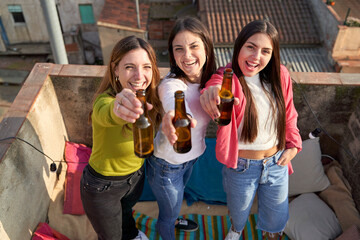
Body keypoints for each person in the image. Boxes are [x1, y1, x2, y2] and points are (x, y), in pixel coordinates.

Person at [200, 20, 302, 240]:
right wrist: (212, 92)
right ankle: (236, 230)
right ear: (239, 46)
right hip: (242, 167)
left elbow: (290, 114)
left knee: (276, 219)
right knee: (238, 212)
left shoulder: (280, 75)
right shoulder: (228, 77)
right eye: (251, 47)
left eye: (265, 51)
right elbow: (215, 84)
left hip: (277, 163)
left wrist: (294, 146)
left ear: (273, 55)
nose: (256, 56)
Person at [80, 36, 162, 240]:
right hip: (102, 188)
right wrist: (119, 108)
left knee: (126, 214)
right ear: (115, 70)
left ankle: (132, 234)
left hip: (135, 178)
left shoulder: (151, 98)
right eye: (129, 67)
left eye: (146, 67)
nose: (139, 75)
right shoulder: (104, 101)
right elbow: (107, 112)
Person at [145, 16, 216, 240]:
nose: (187, 56)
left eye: (194, 46)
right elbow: (172, 103)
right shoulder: (172, 84)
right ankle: (169, 226)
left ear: (206, 46)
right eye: (179, 49)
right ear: (172, 54)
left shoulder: (211, 80)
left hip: (190, 160)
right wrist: (173, 116)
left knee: (177, 200)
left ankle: (174, 218)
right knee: (168, 213)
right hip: (166, 166)